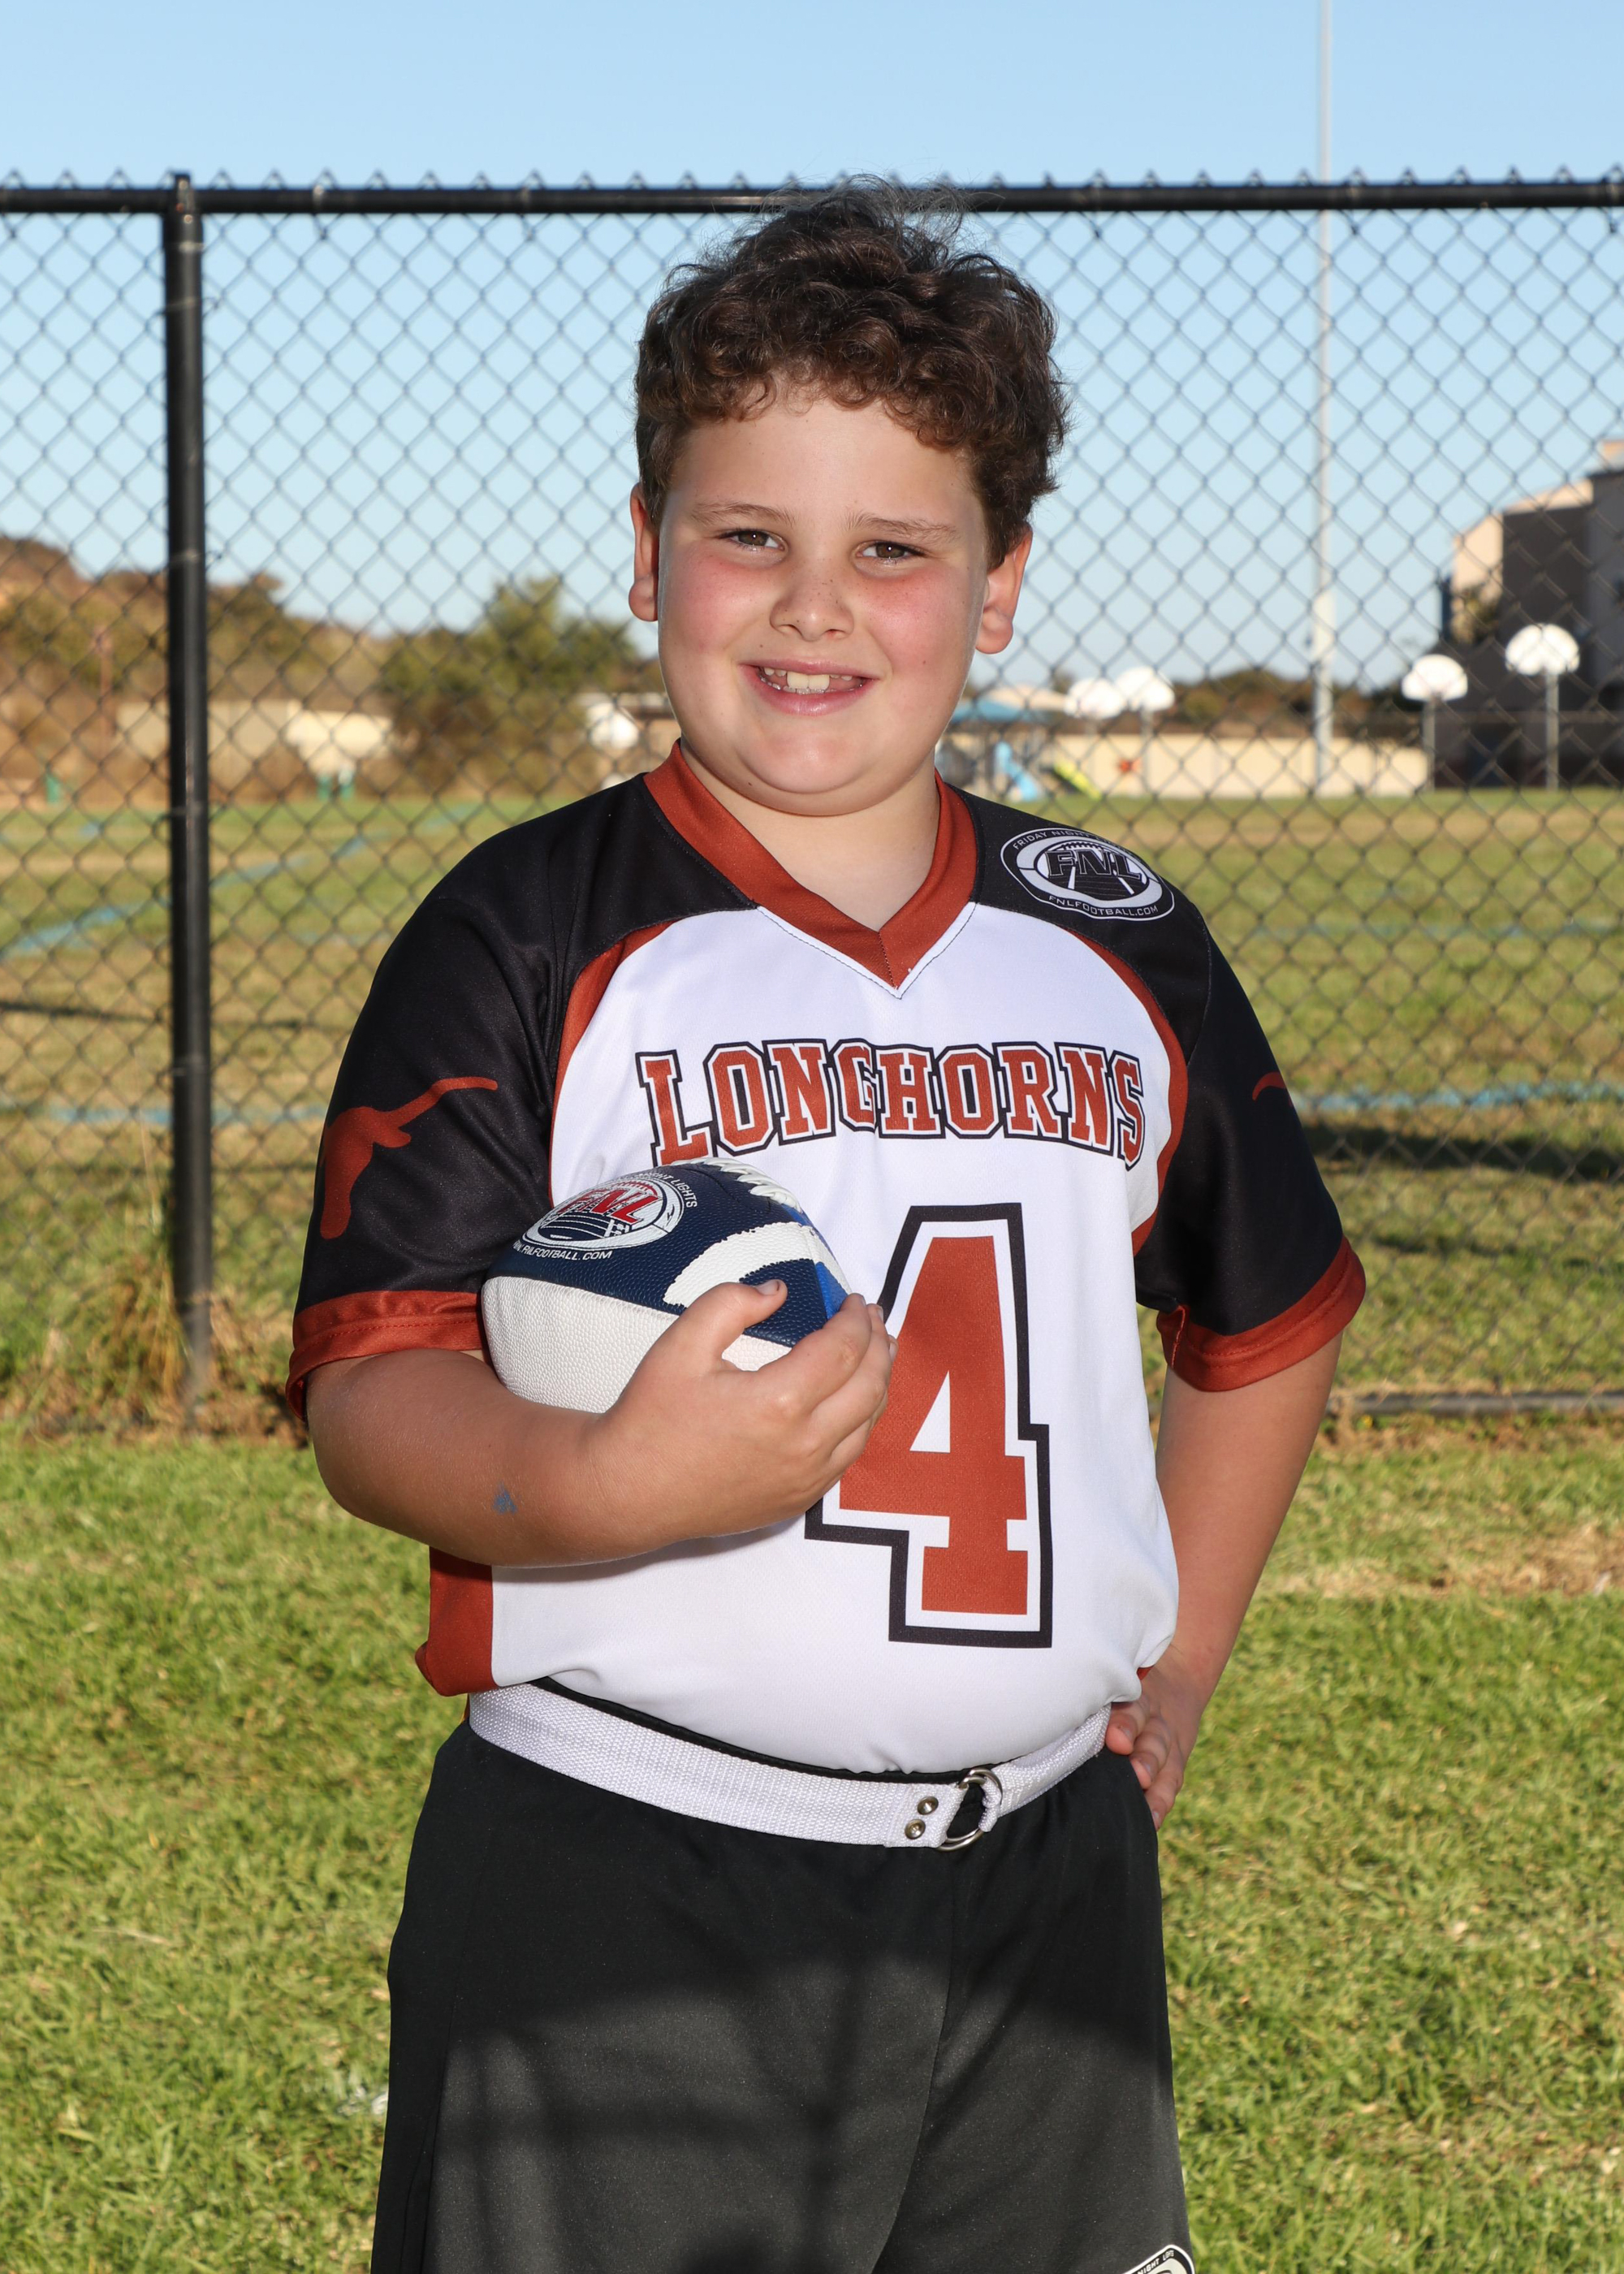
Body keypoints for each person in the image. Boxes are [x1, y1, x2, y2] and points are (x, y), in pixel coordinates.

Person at [290, 186, 1364, 2274]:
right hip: (625, 1865)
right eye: (746, 534)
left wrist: (1177, 1658)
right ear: (645, 553)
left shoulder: (1113, 937)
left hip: (1044, 1887)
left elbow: (1269, 1314)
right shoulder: (526, 927)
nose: (813, 606)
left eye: (893, 548)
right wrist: (603, 1480)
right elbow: (371, 1382)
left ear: (1001, 580)